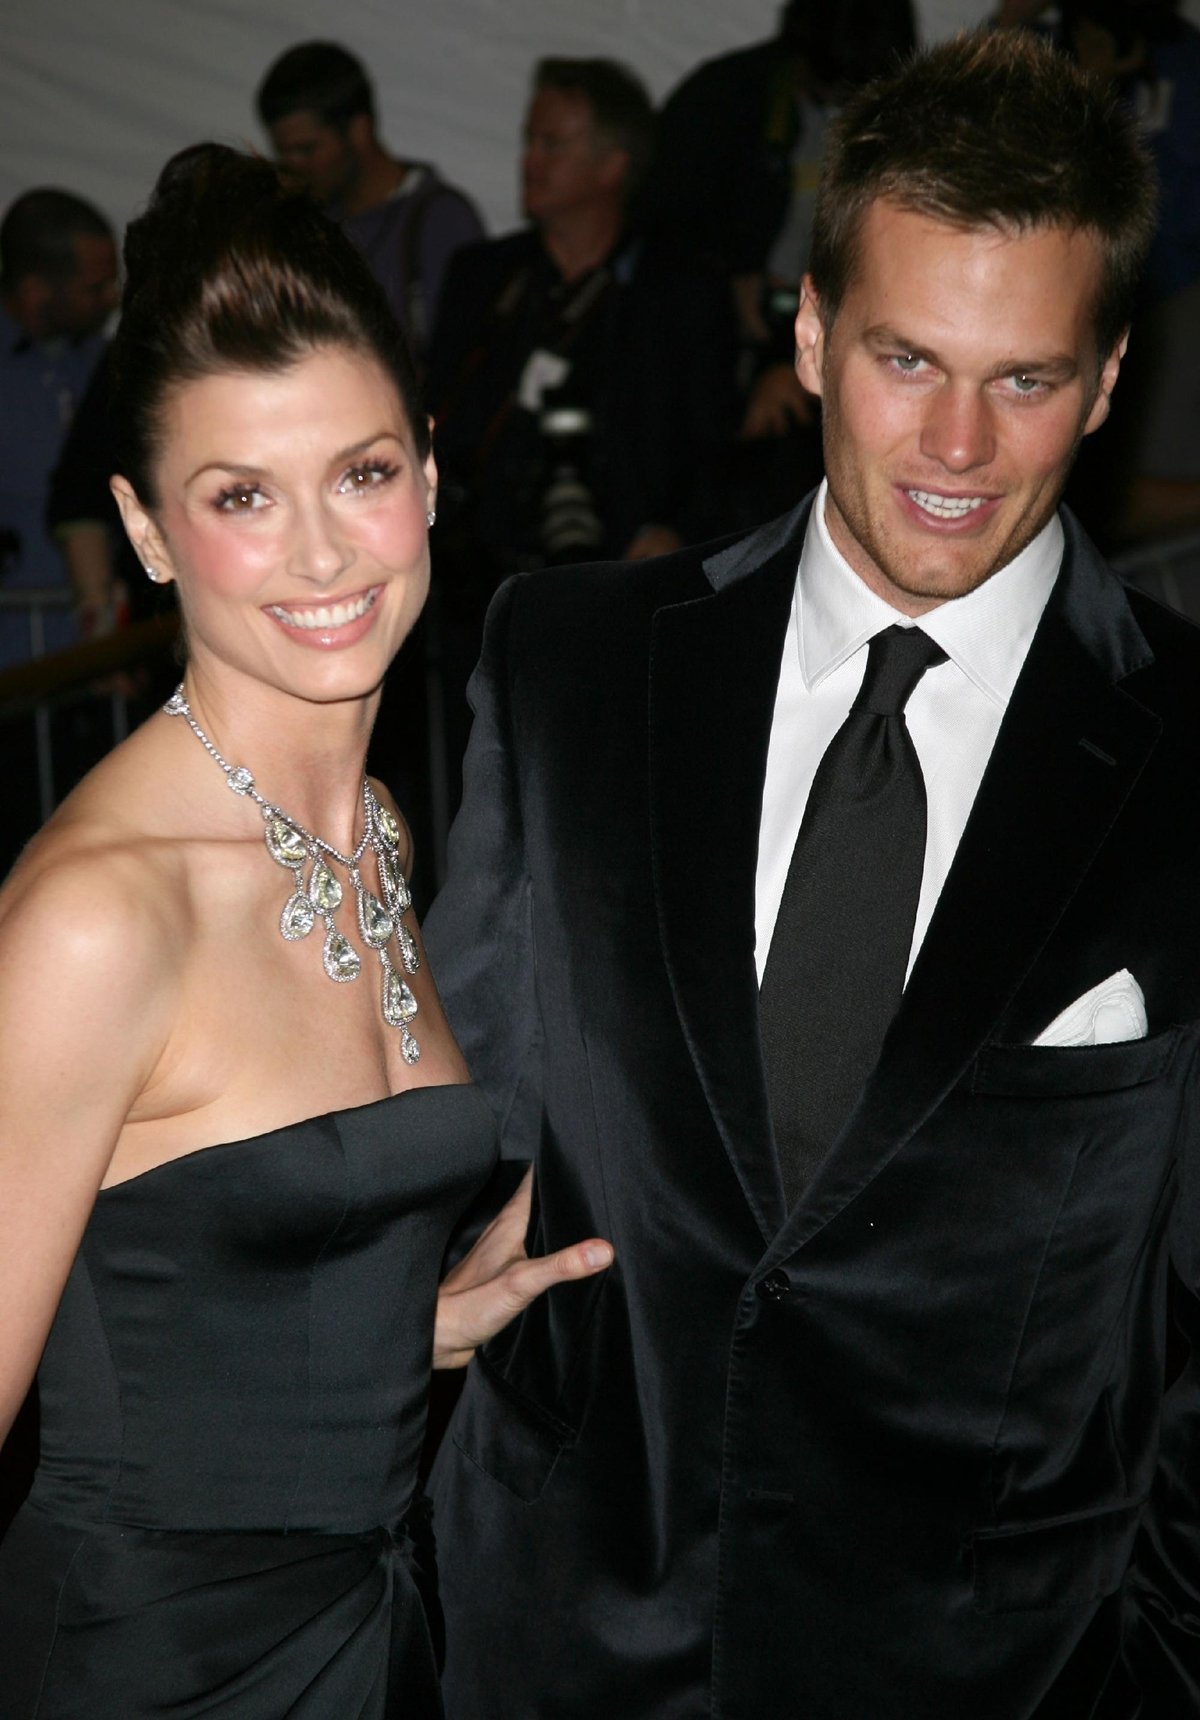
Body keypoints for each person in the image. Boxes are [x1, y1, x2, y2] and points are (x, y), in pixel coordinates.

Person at [424, 30, 1200, 1717]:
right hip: (558, 1647)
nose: (958, 444)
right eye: (905, 358)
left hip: (995, 1672)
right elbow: (449, 1124)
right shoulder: (570, 665)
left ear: (1109, 380)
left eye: (1026, 380)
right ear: (806, 332)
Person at [0, 144, 610, 1718]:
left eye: (361, 473)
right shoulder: (100, 916)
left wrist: (405, 1328)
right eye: (240, 498)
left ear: (428, 471)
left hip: (375, 1636)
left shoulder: (378, 831)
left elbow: (192, 1261)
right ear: (145, 529)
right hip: (146, 1672)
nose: (325, 554)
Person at [255, 40, 484, 361]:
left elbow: (464, 362)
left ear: (359, 130)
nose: (294, 166)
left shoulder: (440, 221)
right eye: (283, 153)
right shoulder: (305, 224)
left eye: (307, 149)